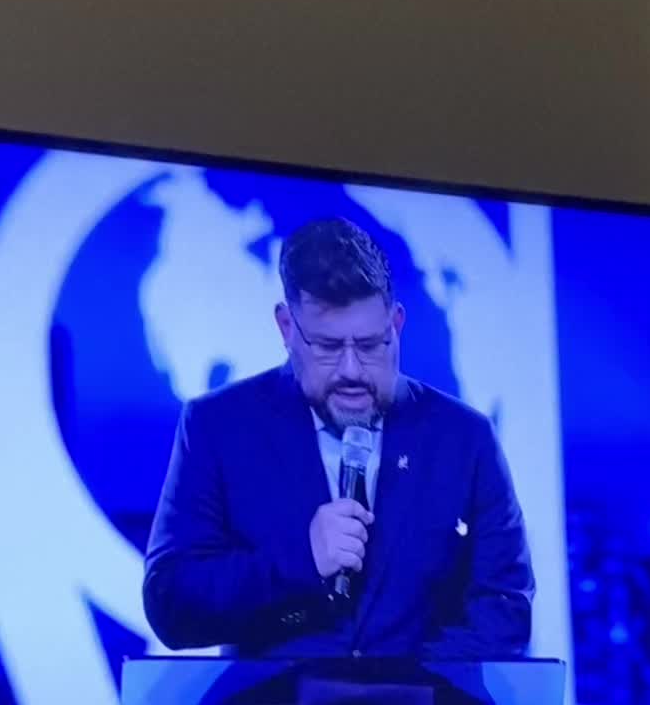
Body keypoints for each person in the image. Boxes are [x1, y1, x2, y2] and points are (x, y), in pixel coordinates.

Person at [143, 218, 535, 661]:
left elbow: (505, 611)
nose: (351, 370)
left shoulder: (464, 439)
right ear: (286, 327)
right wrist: (302, 560)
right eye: (328, 347)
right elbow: (170, 605)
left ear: (396, 324)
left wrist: (401, 689)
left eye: (370, 345)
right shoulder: (219, 426)